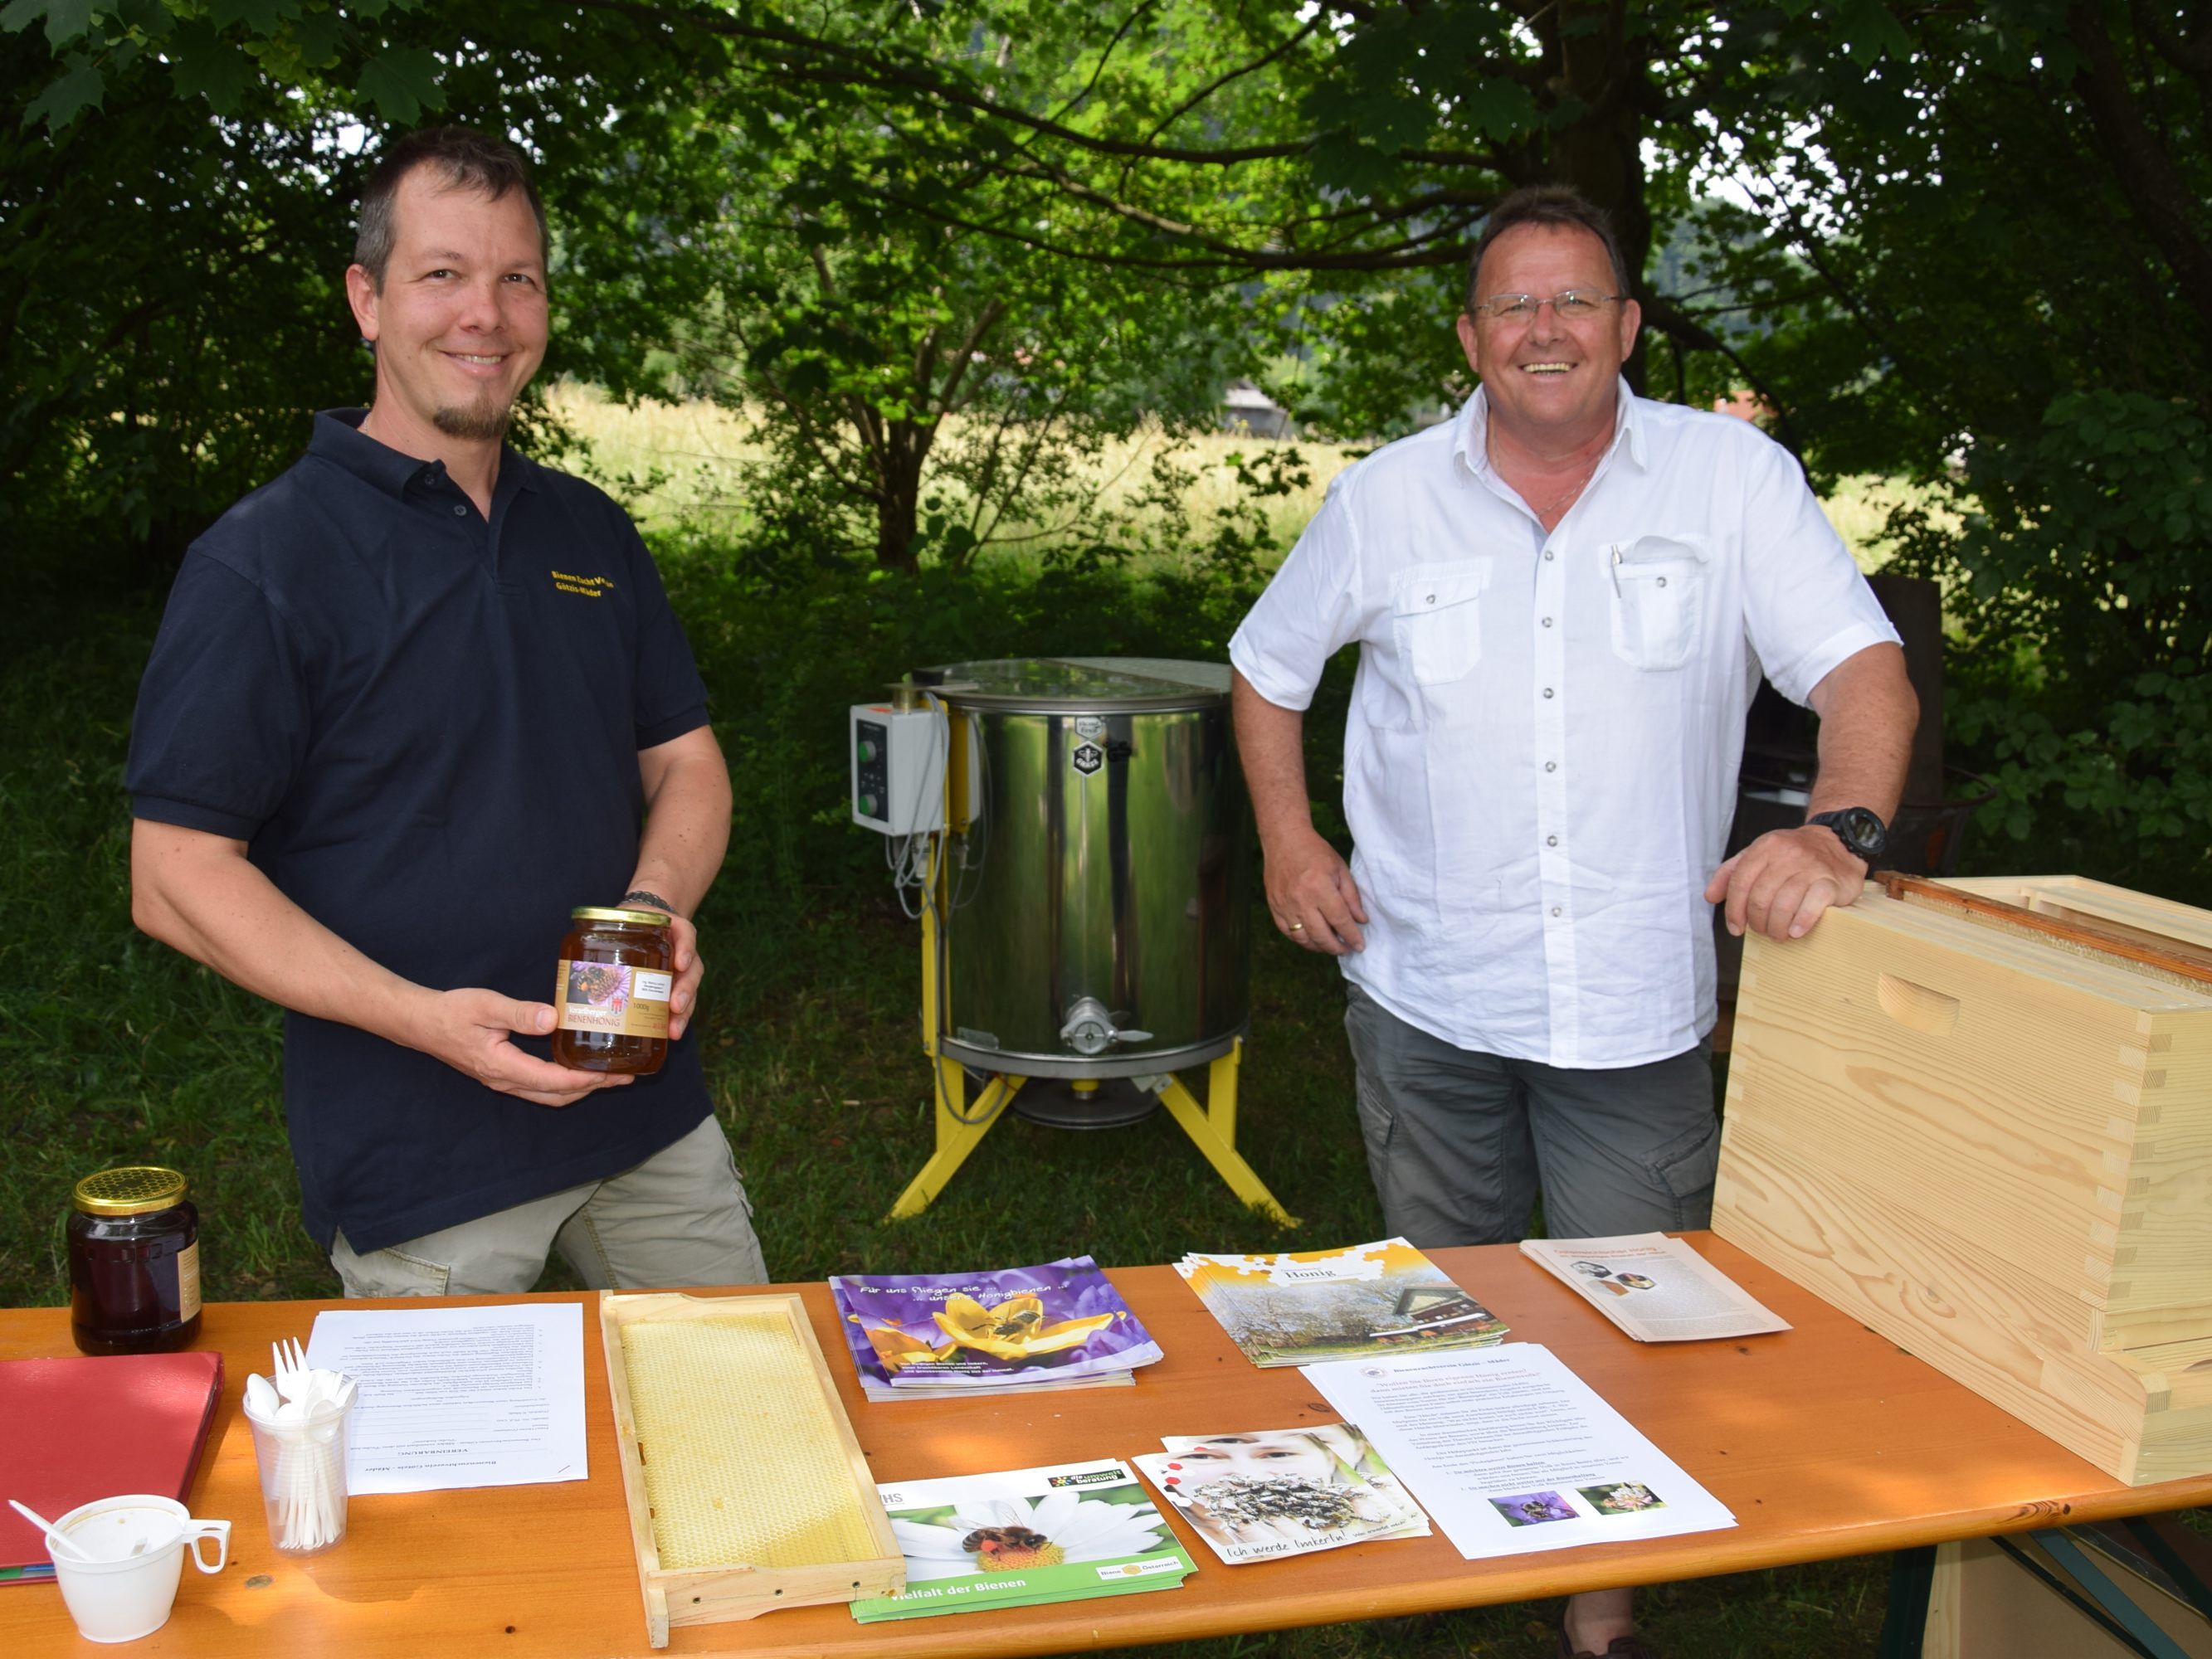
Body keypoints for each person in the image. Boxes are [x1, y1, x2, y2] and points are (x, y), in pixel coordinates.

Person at [1228, 185, 1917, 1659]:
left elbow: (1862, 669)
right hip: (1422, 985)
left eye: (1574, 302)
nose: (1544, 330)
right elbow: (1269, 670)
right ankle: (1471, 1557)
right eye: (1513, 306)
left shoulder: (1731, 481)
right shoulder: (1383, 496)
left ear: (1625, 326)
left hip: (1632, 1002)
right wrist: (1290, 842)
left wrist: (1836, 826)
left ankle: (1598, 1616)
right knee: (1449, 1301)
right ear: (1472, 336)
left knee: (1638, 1322)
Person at [124, 126, 767, 1299]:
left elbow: (685, 762)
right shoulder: (265, 562)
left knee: (745, 1434)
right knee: (466, 1487)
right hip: (424, 1150)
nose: (485, 312)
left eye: (516, 277)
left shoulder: (590, 533)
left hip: (643, 1115)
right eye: (443, 274)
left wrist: (654, 907)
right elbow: (173, 874)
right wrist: (425, 1021)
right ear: (367, 300)